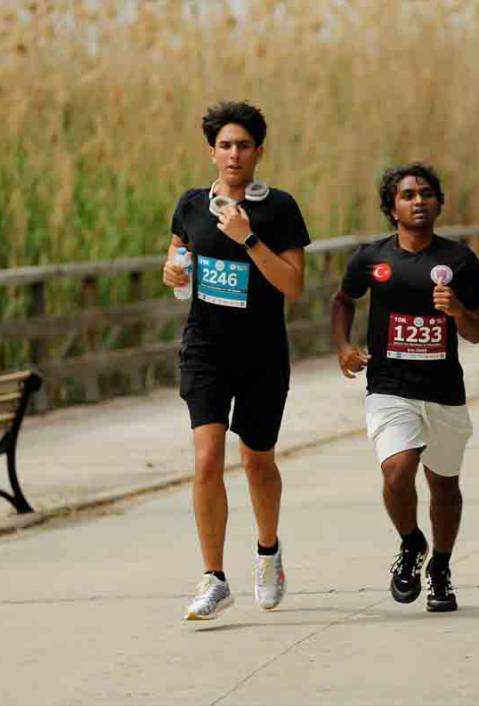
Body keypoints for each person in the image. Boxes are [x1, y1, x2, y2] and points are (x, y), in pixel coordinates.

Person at [162, 101, 311, 620]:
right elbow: (178, 257)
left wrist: (246, 237)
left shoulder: (280, 208)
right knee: (206, 459)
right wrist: (174, 273)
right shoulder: (190, 204)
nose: (233, 153)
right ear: (211, 152)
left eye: (243, 145)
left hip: (262, 353)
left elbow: (293, 285)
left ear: (258, 152)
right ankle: (214, 577)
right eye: (225, 145)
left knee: (256, 459)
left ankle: (268, 555)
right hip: (205, 347)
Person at [330, 163, 479, 613]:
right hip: (388, 385)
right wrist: (343, 345)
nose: (418, 201)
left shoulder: (459, 261)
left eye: (426, 194)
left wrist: (456, 309)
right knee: (398, 470)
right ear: (392, 207)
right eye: (408, 195)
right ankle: (410, 541)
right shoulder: (372, 258)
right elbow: (342, 299)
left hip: (443, 390)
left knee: (444, 484)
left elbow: (477, 330)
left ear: (439, 202)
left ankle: (440, 565)